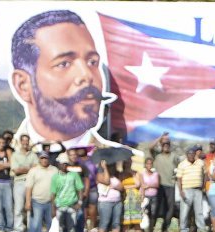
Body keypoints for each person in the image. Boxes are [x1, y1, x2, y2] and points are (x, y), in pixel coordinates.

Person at [9, 10, 130, 151]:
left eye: (92, 62)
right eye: (64, 64)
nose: (86, 75)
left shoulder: (125, 162)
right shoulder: (2, 157)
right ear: (23, 85)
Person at [50, 160, 84, 232]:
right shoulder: (55, 177)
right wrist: (53, 208)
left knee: (72, 229)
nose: (64, 165)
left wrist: (80, 203)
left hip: (71, 206)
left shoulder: (74, 175)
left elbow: (80, 189)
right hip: (60, 206)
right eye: (62, 163)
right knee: (62, 229)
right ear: (58, 164)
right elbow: (53, 194)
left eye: (66, 163)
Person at [149, 134, 180, 232]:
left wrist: (176, 176)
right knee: (156, 207)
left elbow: (179, 167)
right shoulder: (157, 155)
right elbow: (150, 147)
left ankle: (165, 228)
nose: (166, 146)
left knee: (170, 208)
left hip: (170, 185)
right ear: (161, 145)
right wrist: (160, 137)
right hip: (159, 185)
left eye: (167, 144)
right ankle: (151, 229)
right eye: (164, 144)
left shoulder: (174, 156)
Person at [25, 151, 57, 232]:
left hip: (51, 200)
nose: (44, 160)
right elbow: (29, 187)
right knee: (36, 221)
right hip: (37, 200)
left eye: (45, 158)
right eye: (42, 158)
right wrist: (28, 201)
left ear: (48, 159)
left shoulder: (54, 170)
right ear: (39, 159)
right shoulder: (33, 170)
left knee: (51, 220)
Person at [176, 147, 207, 232]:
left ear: (195, 155)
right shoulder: (182, 165)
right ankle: (183, 229)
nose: (191, 156)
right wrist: (181, 191)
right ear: (186, 155)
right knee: (184, 211)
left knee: (199, 211)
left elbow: (205, 173)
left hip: (198, 189)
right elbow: (179, 178)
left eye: (193, 154)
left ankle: (202, 229)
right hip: (186, 189)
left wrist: (204, 185)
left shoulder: (200, 163)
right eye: (189, 154)